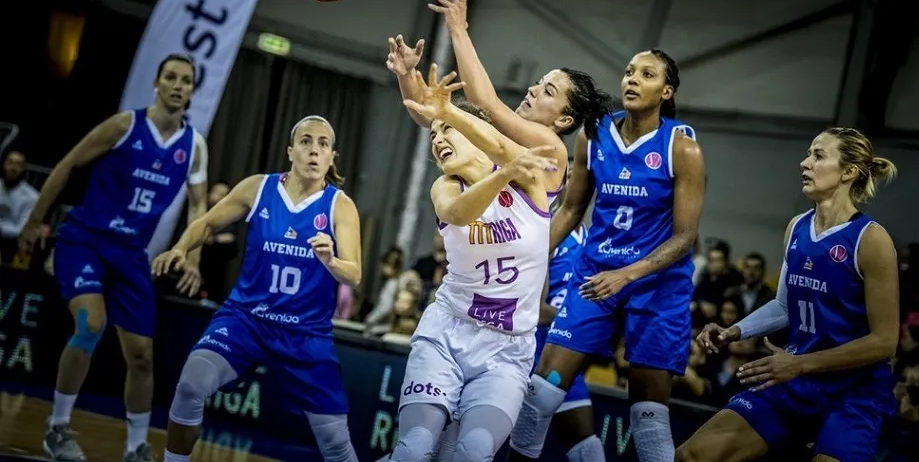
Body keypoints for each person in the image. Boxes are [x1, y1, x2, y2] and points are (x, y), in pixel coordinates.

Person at [510, 49, 706, 462]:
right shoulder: (593, 135)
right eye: (630, 71)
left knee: (649, 420)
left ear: (666, 91)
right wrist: (527, 256)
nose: (632, 79)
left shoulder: (682, 148)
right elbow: (570, 210)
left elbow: (685, 237)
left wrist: (628, 274)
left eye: (647, 74)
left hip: (657, 285)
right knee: (539, 396)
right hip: (596, 276)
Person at [18, 54, 208, 462]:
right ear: (156, 83)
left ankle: (136, 447)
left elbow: (199, 207)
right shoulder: (125, 126)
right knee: (91, 323)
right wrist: (35, 221)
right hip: (85, 239)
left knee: (142, 355)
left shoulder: (194, 146)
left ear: (192, 90)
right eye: (171, 77)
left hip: (131, 253)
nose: (178, 85)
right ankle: (57, 428)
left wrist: (191, 257)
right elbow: (69, 163)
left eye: (186, 80)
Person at [678, 127, 901, 462]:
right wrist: (734, 331)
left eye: (818, 156)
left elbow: (884, 342)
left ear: (848, 172)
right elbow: (784, 305)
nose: (804, 163)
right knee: (692, 456)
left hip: (853, 391)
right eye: (808, 154)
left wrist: (800, 364)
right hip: (796, 378)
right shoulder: (797, 227)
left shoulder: (871, 240)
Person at [152, 115, 362, 462]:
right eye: (306, 141)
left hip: (305, 333)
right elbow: (207, 222)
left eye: (323, 144)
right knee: (190, 385)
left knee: (336, 442)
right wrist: (180, 248)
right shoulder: (259, 188)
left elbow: (353, 275)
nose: (314, 150)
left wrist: (331, 261)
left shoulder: (340, 205)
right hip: (246, 320)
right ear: (290, 151)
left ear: (331, 157)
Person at [386, 65, 558, 462]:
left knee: (471, 451)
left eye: (448, 130)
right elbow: (459, 214)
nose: (438, 139)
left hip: (507, 349)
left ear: (478, 135)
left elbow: (504, 150)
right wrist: (502, 175)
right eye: (433, 135)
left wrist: (505, 169)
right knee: (415, 449)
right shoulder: (445, 186)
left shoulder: (529, 182)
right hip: (447, 332)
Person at [387, 0, 612, 203]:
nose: (533, 90)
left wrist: (458, 30)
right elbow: (429, 114)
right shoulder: (497, 131)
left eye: (548, 91)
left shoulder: (552, 148)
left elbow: (485, 104)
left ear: (564, 120)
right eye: (539, 83)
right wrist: (406, 74)